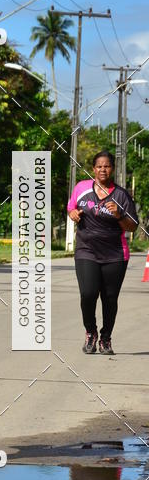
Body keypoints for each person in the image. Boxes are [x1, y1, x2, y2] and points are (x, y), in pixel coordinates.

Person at [67, 150, 138, 354]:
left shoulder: (121, 195)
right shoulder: (81, 188)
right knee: (88, 294)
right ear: (93, 169)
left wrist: (119, 214)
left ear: (112, 169)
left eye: (107, 166)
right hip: (86, 250)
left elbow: (132, 226)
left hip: (115, 254)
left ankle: (106, 338)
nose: (103, 169)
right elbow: (71, 206)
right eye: (99, 166)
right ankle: (91, 332)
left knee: (109, 298)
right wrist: (72, 213)